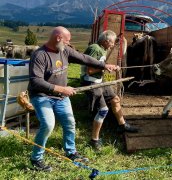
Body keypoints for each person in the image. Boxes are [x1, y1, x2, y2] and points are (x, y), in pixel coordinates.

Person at [28, 26, 119, 172]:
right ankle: (36, 158)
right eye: (67, 41)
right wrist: (62, 89)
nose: (69, 44)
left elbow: (83, 58)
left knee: (70, 122)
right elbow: (36, 81)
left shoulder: (64, 50)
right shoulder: (40, 55)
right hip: (41, 96)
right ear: (58, 38)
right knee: (48, 124)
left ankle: (71, 152)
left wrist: (104, 65)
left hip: (61, 97)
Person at [80, 30, 138, 150]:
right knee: (103, 110)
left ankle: (122, 125)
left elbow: (100, 66)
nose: (112, 45)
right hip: (90, 81)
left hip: (99, 81)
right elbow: (90, 70)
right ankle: (94, 140)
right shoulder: (95, 49)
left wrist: (109, 67)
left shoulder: (102, 49)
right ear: (106, 41)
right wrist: (107, 67)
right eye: (112, 42)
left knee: (115, 99)